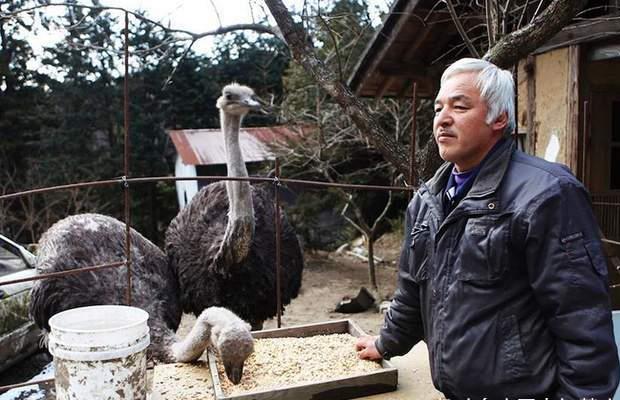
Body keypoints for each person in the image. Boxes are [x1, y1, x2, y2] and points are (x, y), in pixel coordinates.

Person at [355, 58, 620, 399]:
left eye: (460, 106)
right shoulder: (427, 201)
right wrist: (385, 343)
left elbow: (580, 320)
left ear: (500, 118)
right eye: (438, 108)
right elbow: (411, 292)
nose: (442, 119)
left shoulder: (547, 194)